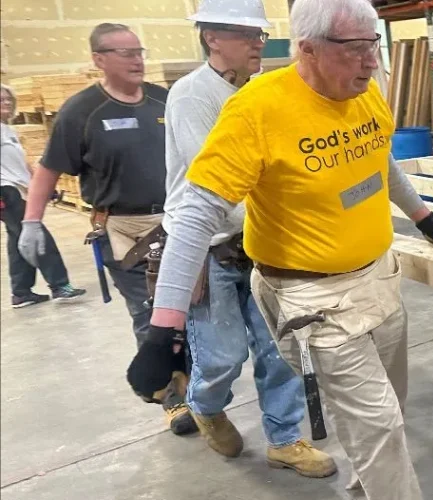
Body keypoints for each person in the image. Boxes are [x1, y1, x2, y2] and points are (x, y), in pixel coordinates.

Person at [142, 0, 433, 497]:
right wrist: (164, 328)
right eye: (354, 48)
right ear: (306, 49)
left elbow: (380, 159)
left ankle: (364, 486)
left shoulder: (364, 90)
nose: (371, 61)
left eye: (372, 45)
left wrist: (420, 214)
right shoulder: (257, 110)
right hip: (313, 300)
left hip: (380, 280)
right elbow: (195, 213)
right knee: (380, 423)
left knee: (389, 406)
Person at [160, 0, 336, 477]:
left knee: (279, 348)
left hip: (258, 244)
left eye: (259, 34)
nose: (259, 42)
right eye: (246, 34)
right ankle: (205, 404)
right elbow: (216, 188)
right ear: (212, 38)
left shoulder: (259, 92)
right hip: (211, 247)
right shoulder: (192, 96)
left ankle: (285, 438)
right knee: (222, 355)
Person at [18, 23, 196, 434]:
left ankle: (195, 381)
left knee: (193, 310)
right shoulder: (81, 112)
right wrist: (31, 221)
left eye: (140, 51)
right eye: (125, 53)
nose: (138, 59)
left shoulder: (163, 100)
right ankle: (170, 397)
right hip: (125, 230)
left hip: (177, 220)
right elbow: (48, 171)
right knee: (150, 313)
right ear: (99, 59)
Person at [0, 84, 86, 307]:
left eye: (9, 99)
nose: (7, 103)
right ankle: (60, 285)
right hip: (5, 191)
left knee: (18, 240)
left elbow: (21, 163)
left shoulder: (7, 130)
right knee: (38, 235)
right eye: (1, 100)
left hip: (17, 188)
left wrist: (41, 186)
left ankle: (21, 292)